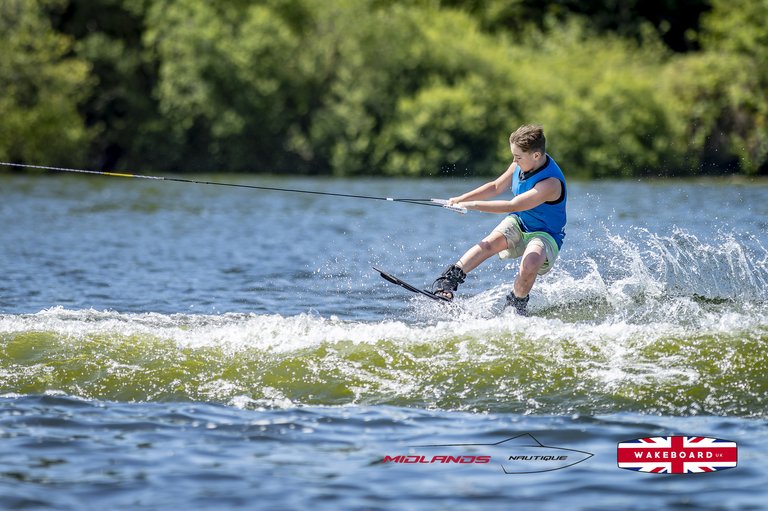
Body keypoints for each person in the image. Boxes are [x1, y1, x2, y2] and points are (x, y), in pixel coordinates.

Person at [431, 124, 567, 316]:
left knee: (530, 263)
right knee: (490, 243)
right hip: (521, 222)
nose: (514, 161)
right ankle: (448, 280)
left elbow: (512, 205)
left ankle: (516, 304)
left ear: (536, 155)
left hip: (546, 234)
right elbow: (495, 187)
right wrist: (460, 199)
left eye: (518, 157)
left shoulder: (551, 183)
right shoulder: (520, 164)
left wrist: (472, 206)